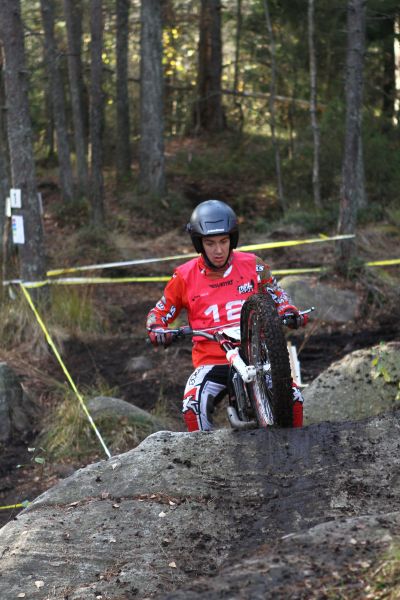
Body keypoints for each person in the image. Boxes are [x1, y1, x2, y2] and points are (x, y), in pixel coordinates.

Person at [146, 199, 308, 431]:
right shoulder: (184, 276)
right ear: (198, 243)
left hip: (257, 355)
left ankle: (296, 447)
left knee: (294, 397)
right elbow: (159, 312)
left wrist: (289, 312)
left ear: (233, 238)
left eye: (223, 241)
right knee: (192, 405)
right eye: (210, 243)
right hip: (212, 361)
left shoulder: (254, 265)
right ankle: (203, 454)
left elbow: (278, 296)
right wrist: (157, 329)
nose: (219, 250)